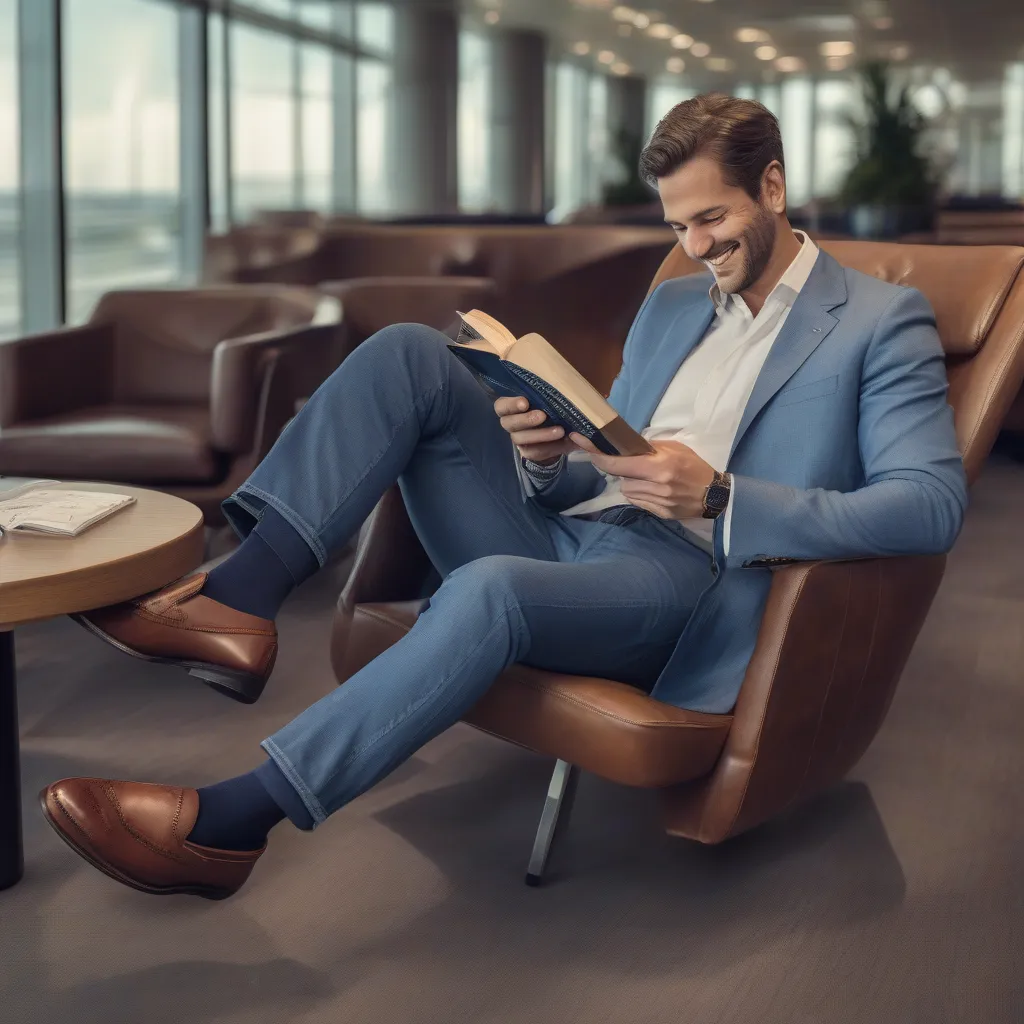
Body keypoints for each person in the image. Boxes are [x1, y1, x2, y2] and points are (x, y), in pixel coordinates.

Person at [40, 94, 968, 900]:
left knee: (488, 588)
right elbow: (600, 468)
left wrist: (722, 496)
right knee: (411, 352)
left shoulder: (880, 321)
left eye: (713, 219)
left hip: (687, 576)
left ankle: (232, 821)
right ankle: (242, 598)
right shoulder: (676, 300)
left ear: (772, 187)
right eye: (677, 226)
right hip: (578, 530)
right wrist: (541, 458)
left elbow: (929, 504)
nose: (695, 247)